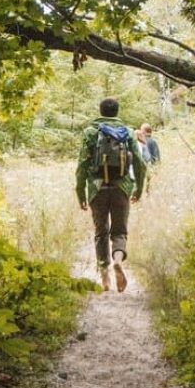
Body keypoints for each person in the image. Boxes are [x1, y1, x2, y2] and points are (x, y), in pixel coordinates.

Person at [76, 97, 146, 292]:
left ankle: (105, 276)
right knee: (120, 230)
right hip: (121, 188)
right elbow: (140, 163)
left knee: (101, 232)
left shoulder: (91, 132)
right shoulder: (128, 133)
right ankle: (117, 260)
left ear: (100, 111)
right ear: (117, 112)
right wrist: (138, 189)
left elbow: (82, 165)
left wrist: (80, 192)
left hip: (97, 189)